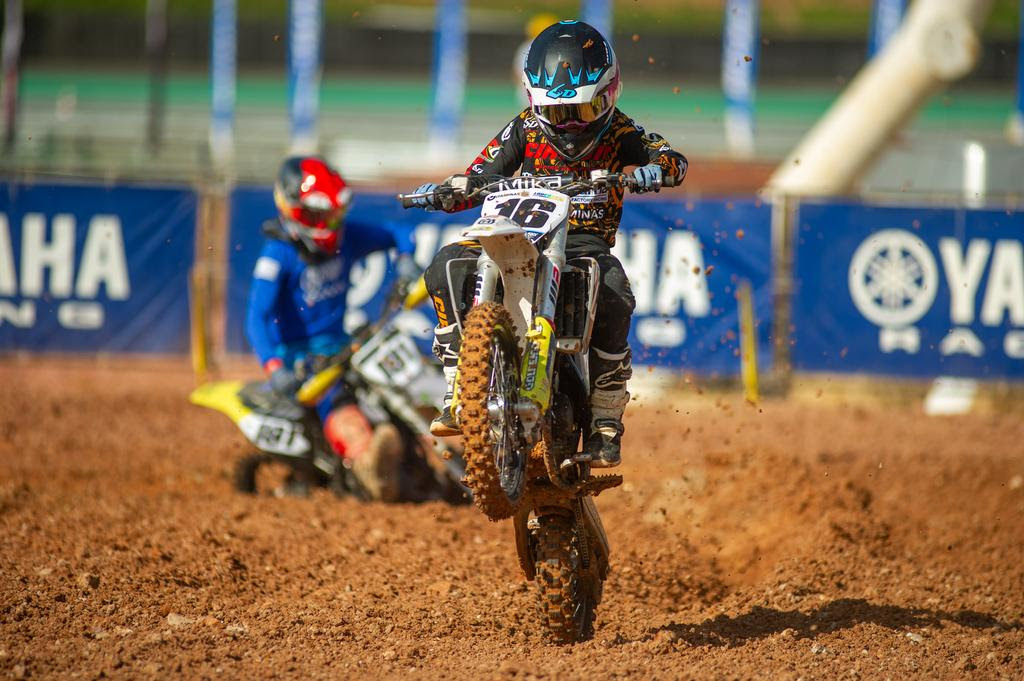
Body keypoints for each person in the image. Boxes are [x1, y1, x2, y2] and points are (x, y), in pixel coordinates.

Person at [410, 20, 687, 469]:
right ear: (535, 101)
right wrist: (449, 191)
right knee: (444, 266)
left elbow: (670, 158)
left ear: (609, 94)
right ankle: (459, 382)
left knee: (615, 293)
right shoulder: (523, 128)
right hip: (521, 233)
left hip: (582, 243)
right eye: (558, 114)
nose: (571, 125)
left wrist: (654, 170)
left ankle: (605, 420)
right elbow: (479, 174)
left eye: (581, 110)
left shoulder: (620, 132)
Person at [246, 155, 419, 501]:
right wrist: (274, 367)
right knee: (338, 404)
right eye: (318, 216)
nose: (328, 225)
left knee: (397, 385)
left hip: (343, 347)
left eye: (334, 215)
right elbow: (257, 319)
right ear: (291, 208)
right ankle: (367, 462)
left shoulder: (347, 237)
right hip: (301, 361)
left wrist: (405, 261)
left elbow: (400, 233)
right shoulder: (276, 255)